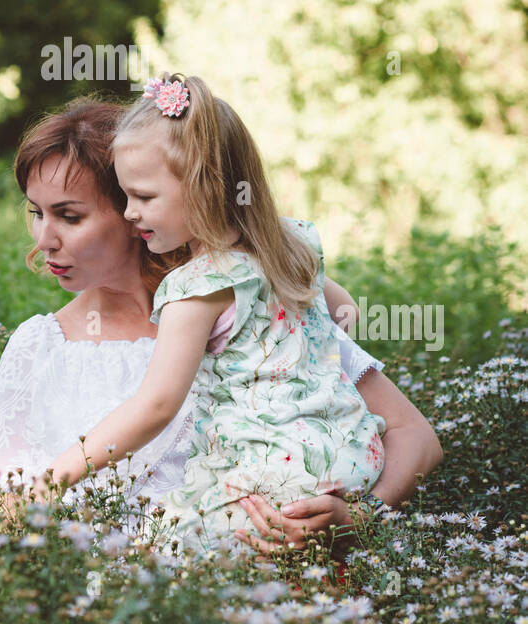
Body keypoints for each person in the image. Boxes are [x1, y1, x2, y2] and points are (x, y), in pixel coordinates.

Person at [0, 95, 442, 559]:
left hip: (260, 589)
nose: (44, 240)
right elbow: (3, 519)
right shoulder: (41, 347)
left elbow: (416, 435)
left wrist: (356, 520)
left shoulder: (256, 316)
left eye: (69, 215)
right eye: (35, 214)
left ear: (136, 205)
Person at [39, 74, 428, 557]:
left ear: (205, 187)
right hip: (349, 459)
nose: (131, 213)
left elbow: (155, 407)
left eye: (143, 197)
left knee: (157, 558)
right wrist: (297, 362)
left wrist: (49, 481)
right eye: (124, 197)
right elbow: (343, 311)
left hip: (264, 477)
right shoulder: (294, 247)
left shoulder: (195, 286)